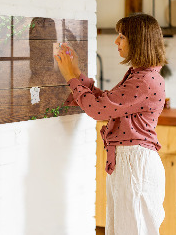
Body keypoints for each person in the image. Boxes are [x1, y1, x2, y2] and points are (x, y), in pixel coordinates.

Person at [54, 13, 167, 235]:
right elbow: (107, 102)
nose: (116, 41)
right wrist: (76, 73)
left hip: (135, 164)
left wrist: (70, 77)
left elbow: (98, 110)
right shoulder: (140, 75)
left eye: (122, 36)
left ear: (138, 40)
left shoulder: (144, 80)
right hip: (129, 162)